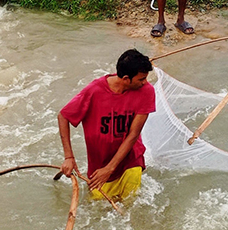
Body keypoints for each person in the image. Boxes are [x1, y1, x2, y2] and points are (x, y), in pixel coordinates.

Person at [57, 49, 156, 201]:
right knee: (98, 210)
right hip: (99, 165)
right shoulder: (94, 91)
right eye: (141, 79)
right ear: (125, 78)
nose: (145, 83)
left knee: (131, 206)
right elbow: (64, 116)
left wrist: (110, 168)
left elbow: (133, 135)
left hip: (130, 160)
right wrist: (69, 157)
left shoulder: (147, 92)